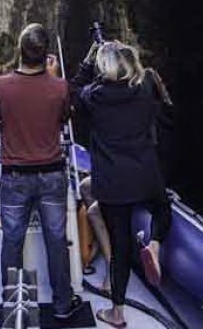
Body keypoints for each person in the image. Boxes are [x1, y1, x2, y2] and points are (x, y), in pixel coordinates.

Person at [0, 23, 84, 320]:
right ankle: (63, 305)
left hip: (14, 177)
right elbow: (64, 116)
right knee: (56, 239)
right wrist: (53, 80)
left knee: (12, 240)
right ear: (46, 55)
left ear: (20, 51)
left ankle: (12, 305)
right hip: (52, 175)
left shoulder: (0, 85)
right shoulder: (60, 86)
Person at [71, 41, 171, 328]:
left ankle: (116, 312)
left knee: (121, 247)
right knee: (163, 208)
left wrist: (89, 61)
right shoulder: (147, 84)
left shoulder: (95, 96)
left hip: (113, 182)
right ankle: (154, 244)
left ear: (104, 69)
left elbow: (73, 94)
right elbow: (166, 108)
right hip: (146, 174)